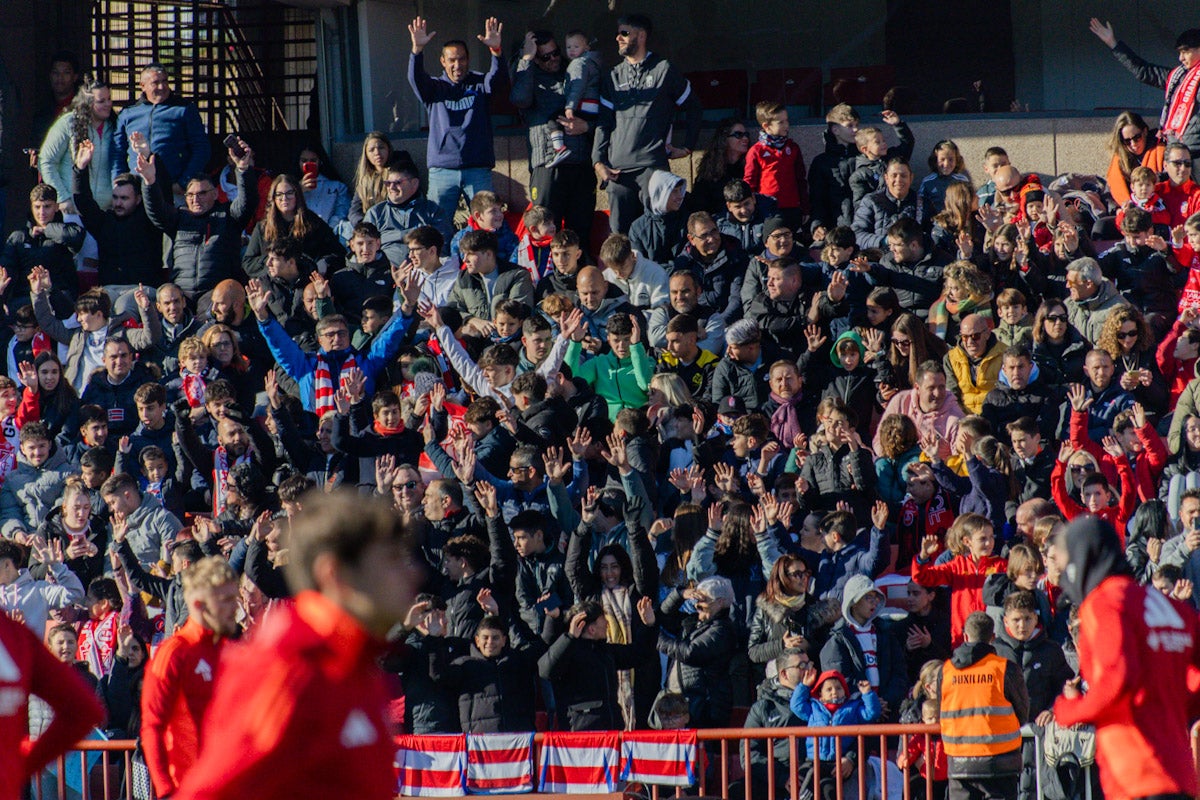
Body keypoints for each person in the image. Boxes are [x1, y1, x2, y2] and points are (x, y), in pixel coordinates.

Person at [174, 490, 420, 800]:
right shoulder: (287, 668)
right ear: (334, 573)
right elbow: (211, 790)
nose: (411, 575)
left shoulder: (355, 664)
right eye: (389, 562)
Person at [1052, 515, 1200, 800]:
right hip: (1179, 772)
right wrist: (1171, 701)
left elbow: (1117, 680)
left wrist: (1069, 709)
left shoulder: (1104, 603)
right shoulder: (1169, 606)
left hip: (1135, 771)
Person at [591, 14, 702, 233]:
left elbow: (694, 107)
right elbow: (603, 123)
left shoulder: (663, 69)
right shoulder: (612, 75)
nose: (618, 38)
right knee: (621, 239)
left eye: (624, 33)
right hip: (618, 171)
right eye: (618, 33)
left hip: (652, 167)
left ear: (641, 36)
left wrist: (687, 146)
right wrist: (598, 161)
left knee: (657, 232)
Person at [141, 557, 239, 799]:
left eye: (235, 598)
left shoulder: (230, 651)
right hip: (187, 788)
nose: (235, 607)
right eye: (226, 600)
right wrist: (165, 790)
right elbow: (152, 726)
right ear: (199, 604)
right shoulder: (175, 653)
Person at [407, 16, 507, 218]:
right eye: (451, 60)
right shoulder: (434, 88)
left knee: (486, 224)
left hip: (478, 168)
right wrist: (416, 51)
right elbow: (416, 78)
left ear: (468, 59)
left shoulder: (480, 84)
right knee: (437, 226)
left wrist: (496, 52)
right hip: (442, 169)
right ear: (443, 61)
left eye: (461, 59)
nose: (457, 65)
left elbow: (498, 81)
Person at [0, 610, 106, 800]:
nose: (66, 647)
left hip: (71, 760)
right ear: (50, 646)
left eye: (71, 642)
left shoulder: (16, 638)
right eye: (61, 642)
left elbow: (87, 711)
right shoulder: (14, 636)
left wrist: (29, 760)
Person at [138, 141, 258, 300]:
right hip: (181, 298)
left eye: (202, 193)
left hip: (216, 297)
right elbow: (156, 211)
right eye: (190, 195)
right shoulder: (179, 218)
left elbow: (247, 202)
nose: (196, 199)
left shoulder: (229, 215)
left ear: (215, 194)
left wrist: (242, 168)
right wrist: (149, 182)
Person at [510, 31, 597, 243]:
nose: (553, 59)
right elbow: (519, 98)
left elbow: (602, 112)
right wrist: (527, 59)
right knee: (544, 233)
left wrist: (586, 126)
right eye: (545, 57)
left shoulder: (576, 69)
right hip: (548, 165)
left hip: (580, 162)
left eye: (556, 53)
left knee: (580, 235)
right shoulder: (527, 75)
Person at [1090, 20, 1200, 175]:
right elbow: (1144, 71)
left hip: (1196, 157)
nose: (1181, 58)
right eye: (1179, 53)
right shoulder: (1177, 76)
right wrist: (1113, 44)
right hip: (1175, 156)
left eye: (1185, 51)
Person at [940, 612, 1029, 800]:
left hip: (959, 762)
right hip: (1000, 762)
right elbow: (1022, 713)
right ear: (993, 638)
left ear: (965, 636)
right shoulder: (1005, 668)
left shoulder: (946, 671)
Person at [112, 63, 210, 194]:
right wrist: (119, 184)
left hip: (173, 189)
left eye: (165, 81)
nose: (162, 87)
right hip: (136, 191)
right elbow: (117, 153)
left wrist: (183, 183)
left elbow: (201, 149)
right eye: (155, 83)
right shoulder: (128, 113)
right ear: (142, 86)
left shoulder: (184, 109)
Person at [38, 77, 115, 213]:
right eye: (101, 101)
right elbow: (46, 161)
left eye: (109, 99)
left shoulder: (115, 126)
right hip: (73, 209)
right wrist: (62, 198)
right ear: (88, 103)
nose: (108, 104)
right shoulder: (68, 123)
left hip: (106, 212)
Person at [362, 161, 453, 266]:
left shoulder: (432, 211)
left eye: (397, 183)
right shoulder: (375, 213)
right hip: (385, 274)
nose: (391, 187)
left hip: (424, 272)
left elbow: (443, 246)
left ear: (414, 183)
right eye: (388, 183)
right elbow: (365, 246)